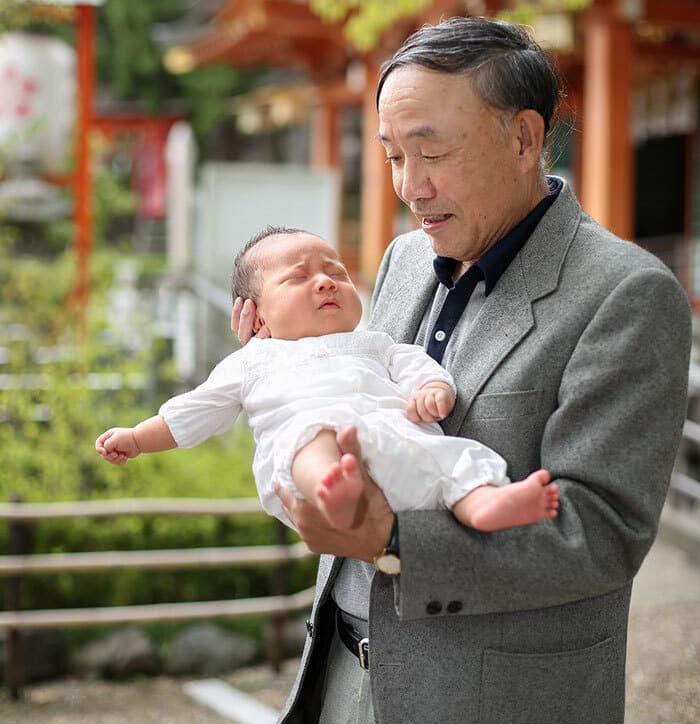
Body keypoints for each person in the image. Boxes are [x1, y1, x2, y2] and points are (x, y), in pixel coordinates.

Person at [231, 17, 692, 724]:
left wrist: (392, 540)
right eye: (392, 156)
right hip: (346, 684)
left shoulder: (626, 295)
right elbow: (353, 399)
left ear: (523, 137)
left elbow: (602, 532)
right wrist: (272, 358)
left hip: (498, 721)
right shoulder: (406, 259)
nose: (411, 187)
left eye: (433, 152)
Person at [95, 227, 560, 538]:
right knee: (310, 437)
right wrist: (138, 438)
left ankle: (483, 505)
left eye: (335, 271)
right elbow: (196, 409)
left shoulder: (375, 343)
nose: (325, 282)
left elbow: (415, 363)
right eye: (298, 278)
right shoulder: (254, 360)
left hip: (395, 444)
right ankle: (335, 495)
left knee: (453, 457)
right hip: (308, 456)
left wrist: (432, 390)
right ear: (255, 314)